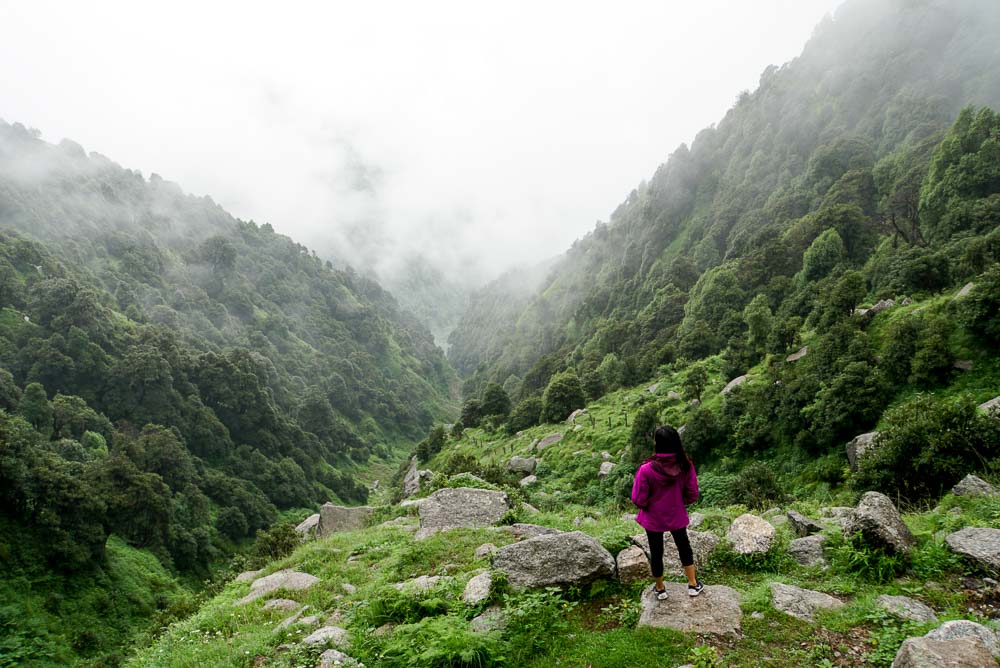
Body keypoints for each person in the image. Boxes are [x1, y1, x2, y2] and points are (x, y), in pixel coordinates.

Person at [631, 424, 704, 600]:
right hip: (676, 514)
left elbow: (638, 499)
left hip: (653, 518)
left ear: (657, 444)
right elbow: (693, 493)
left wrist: (651, 504)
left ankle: (660, 589)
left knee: (656, 552)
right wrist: (678, 502)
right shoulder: (685, 465)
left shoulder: (646, 469)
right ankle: (693, 584)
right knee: (684, 546)